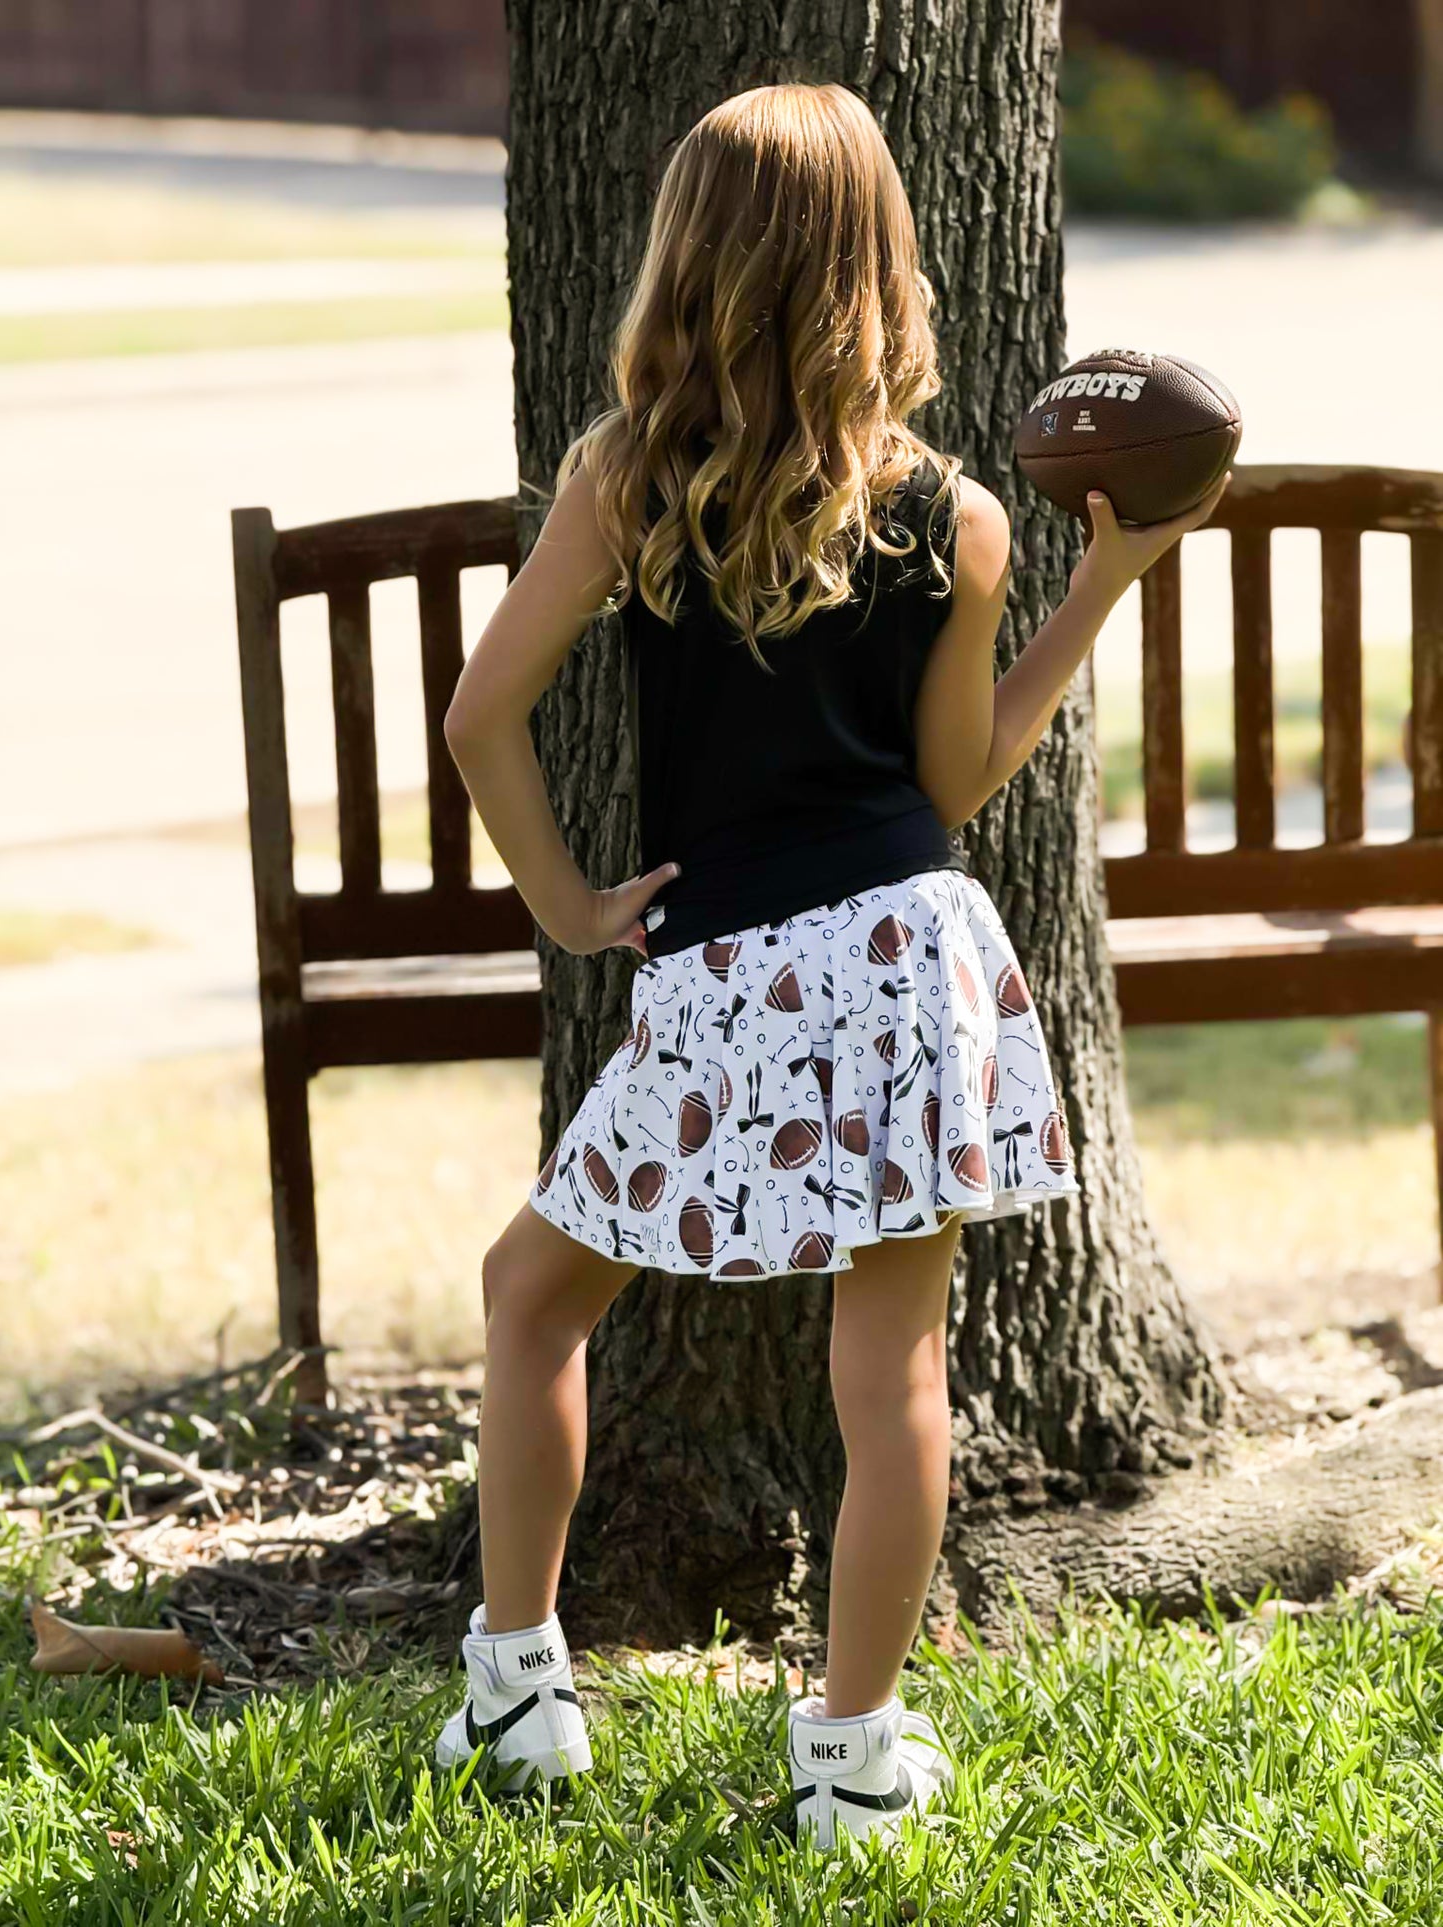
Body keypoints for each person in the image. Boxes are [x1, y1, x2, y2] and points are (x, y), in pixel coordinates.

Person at [439, 80, 1229, 1851]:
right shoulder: (955, 514)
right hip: (905, 957)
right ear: (879, 263)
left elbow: (482, 717)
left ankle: (518, 1699)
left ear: (687, 258)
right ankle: (853, 1756)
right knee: (894, 1384)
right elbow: (953, 784)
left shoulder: (628, 474)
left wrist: (567, 903)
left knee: (532, 1296)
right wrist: (1097, 592)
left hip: (725, 972)